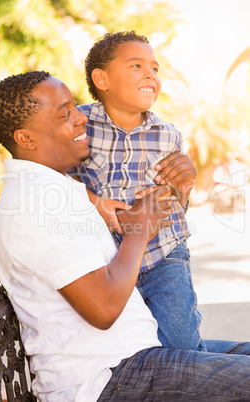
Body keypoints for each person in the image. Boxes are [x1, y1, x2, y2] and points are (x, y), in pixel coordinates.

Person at [0, 71, 250, 402]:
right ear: (26, 138)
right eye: (65, 113)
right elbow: (102, 308)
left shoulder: (50, 189)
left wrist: (173, 195)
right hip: (106, 379)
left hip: (133, 356)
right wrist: (139, 229)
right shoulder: (34, 203)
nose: (82, 117)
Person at [69, 31, 204, 350]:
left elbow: (173, 198)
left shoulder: (168, 135)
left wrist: (178, 196)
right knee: (132, 345)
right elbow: (58, 177)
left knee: (179, 341)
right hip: (107, 261)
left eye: (155, 69)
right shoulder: (80, 124)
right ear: (101, 78)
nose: (150, 75)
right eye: (136, 65)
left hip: (164, 254)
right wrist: (93, 200)